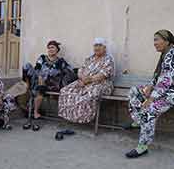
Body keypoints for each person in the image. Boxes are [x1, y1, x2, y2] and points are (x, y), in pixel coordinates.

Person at [126, 30, 174, 158]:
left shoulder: (172, 55)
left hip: (170, 94)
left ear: (167, 41)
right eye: (154, 40)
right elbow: (158, 75)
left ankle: (143, 146)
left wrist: (152, 98)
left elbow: (166, 81)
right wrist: (149, 87)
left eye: (157, 40)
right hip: (162, 91)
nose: (154, 43)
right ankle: (139, 121)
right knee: (134, 91)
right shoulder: (165, 54)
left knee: (149, 110)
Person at [58, 38, 115, 123]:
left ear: (105, 48)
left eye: (100, 45)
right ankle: (71, 117)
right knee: (65, 91)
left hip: (102, 84)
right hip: (84, 82)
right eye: (96, 45)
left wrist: (88, 80)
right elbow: (81, 70)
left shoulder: (108, 59)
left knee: (88, 95)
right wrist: (81, 78)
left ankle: (83, 119)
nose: (97, 48)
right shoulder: (89, 58)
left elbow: (103, 75)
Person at [23, 40, 76, 119]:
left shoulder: (60, 61)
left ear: (57, 50)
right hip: (38, 80)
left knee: (41, 88)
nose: (50, 49)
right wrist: (40, 76)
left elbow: (70, 70)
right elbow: (37, 68)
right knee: (26, 65)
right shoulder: (42, 58)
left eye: (52, 47)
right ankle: (27, 85)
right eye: (49, 48)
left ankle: (35, 112)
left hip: (51, 84)